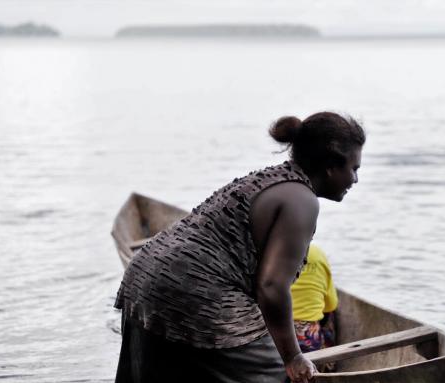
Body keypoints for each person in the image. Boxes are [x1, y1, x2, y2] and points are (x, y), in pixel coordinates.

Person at [114, 111, 365, 383]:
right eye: (354, 168)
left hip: (145, 278)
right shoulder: (302, 200)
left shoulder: (271, 178)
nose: (355, 179)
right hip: (195, 291)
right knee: (276, 376)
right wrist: (292, 357)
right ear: (330, 166)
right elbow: (271, 287)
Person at [291, 243, 338, 372]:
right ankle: (329, 367)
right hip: (309, 339)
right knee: (331, 315)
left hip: (271, 335)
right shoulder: (318, 253)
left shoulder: (267, 251)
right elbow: (331, 305)